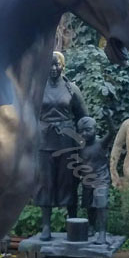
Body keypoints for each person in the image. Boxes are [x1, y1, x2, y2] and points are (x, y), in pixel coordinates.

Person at [34, 51, 88, 240]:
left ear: (63, 66)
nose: (54, 68)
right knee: (45, 183)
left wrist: (85, 141)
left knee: (69, 182)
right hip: (44, 141)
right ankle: (46, 226)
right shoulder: (37, 89)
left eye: (57, 65)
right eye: (51, 65)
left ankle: (72, 222)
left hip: (67, 142)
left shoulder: (72, 88)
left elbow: (84, 117)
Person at [76, 117, 111, 244]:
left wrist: (109, 119)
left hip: (101, 180)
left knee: (101, 205)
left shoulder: (101, 144)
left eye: (88, 130)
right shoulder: (80, 147)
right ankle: (91, 227)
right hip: (87, 181)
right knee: (89, 206)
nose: (84, 133)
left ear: (95, 129)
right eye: (81, 131)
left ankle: (102, 233)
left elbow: (112, 132)